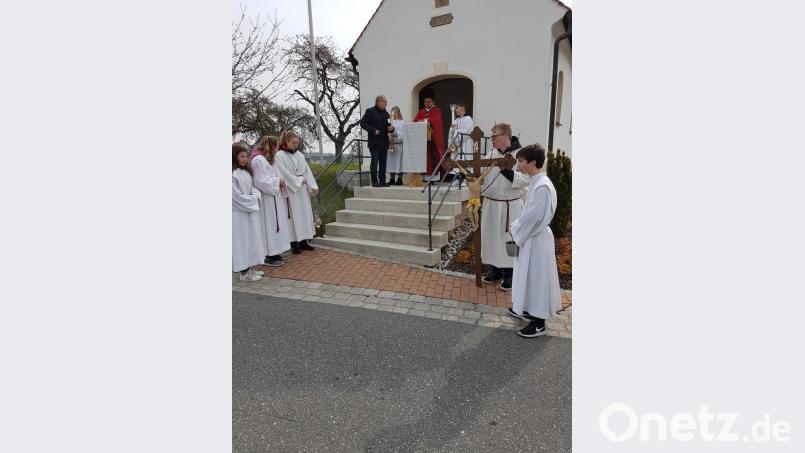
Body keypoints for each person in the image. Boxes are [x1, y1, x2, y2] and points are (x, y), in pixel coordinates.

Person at [508, 144, 562, 338]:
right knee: (530, 276)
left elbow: (535, 218)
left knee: (538, 278)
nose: (519, 165)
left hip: (537, 239)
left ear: (532, 162)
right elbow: (530, 215)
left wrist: (514, 228)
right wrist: (518, 227)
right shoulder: (535, 182)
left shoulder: (543, 187)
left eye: (521, 161)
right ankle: (529, 311)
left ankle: (539, 323)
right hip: (533, 237)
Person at [480, 123, 531, 291]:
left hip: (511, 206)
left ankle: (509, 274)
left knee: (509, 240)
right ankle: (496, 271)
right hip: (492, 204)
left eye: (494, 136)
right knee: (492, 239)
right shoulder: (491, 154)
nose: (492, 139)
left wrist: (507, 171)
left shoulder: (520, 155)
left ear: (505, 136)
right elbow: (482, 173)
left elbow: (526, 179)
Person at [273, 130, 319, 254]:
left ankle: (303, 241)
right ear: (286, 142)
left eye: (297, 143)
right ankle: (293, 243)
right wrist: (298, 180)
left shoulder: (300, 155)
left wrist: (312, 185)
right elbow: (283, 173)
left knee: (304, 215)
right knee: (292, 217)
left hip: (302, 190)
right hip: (291, 190)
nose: (295, 145)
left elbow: (307, 171)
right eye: (293, 142)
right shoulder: (279, 156)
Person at [251, 135, 291, 267]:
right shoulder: (258, 160)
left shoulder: (269, 160)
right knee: (268, 225)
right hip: (266, 199)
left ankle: (275, 252)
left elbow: (276, 175)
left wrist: (281, 181)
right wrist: (277, 182)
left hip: (275, 197)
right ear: (272, 147)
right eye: (276, 147)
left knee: (275, 226)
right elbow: (259, 180)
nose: (277, 150)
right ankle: (268, 255)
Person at [232, 142, 265, 281]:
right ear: (235, 158)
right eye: (242, 156)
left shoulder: (246, 172)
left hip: (249, 212)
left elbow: (253, 189)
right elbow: (235, 197)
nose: (245, 159)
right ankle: (244, 273)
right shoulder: (232, 175)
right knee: (242, 241)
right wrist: (253, 200)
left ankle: (250, 267)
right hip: (239, 214)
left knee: (251, 240)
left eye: (246, 156)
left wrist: (254, 196)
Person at [360, 95, 395, 187]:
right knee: (375, 162)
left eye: (386, 102)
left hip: (384, 142)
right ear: (378, 102)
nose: (386, 104)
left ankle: (382, 181)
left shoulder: (386, 114)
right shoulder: (370, 111)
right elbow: (363, 123)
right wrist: (373, 130)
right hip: (374, 142)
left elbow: (388, 127)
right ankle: (374, 181)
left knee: (383, 162)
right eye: (384, 102)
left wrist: (391, 128)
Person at [413, 89, 445, 183]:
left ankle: (433, 178)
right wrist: (420, 121)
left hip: (433, 140)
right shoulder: (421, 111)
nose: (426, 103)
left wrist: (428, 120)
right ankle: (425, 177)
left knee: (433, 158)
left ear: (433, 101)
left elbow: (437, 121)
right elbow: (415, 121)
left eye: (428, 102)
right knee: (424, 158)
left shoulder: (437, 110)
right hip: (423, 140)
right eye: (425, 102)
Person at [447, 103, 474, 187]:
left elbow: (468, 131)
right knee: (457, 161)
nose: (455, 109)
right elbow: (451, 133)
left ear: (463, 107)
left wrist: (456, 131)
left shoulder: (468, 119)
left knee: (465, 160)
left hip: (465, 143)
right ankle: (458, 178)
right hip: (458, 144)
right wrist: (452, 131)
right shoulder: (456, 120)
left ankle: (466, 179)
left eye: (457, 107)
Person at [387, 106, 406, 185]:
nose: (393, 114)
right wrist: (389, 136)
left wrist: (396, 134)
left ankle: (399, 179)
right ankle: (392, 179)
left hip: (399, 145)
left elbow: (404, 133)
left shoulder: (402, 122)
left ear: (398, 113)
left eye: (395, 112)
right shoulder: (389, 122)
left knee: (399, 162)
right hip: (391, 144)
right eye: (392, 112)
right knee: (391, 162)